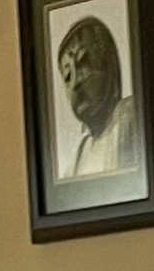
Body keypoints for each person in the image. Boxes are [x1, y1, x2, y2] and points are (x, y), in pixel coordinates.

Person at [56, 13, 139, 185]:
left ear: (108, 64)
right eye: (67, 76)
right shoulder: (77, 157)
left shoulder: (131, 114)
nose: (75, 83)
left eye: (84, 64)